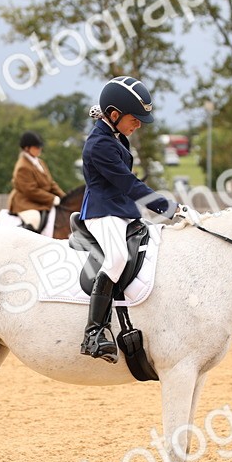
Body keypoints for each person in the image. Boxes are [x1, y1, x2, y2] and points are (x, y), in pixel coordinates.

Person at [79, 76, 179, 362]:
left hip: (122, 211)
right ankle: (94, 333)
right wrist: (168, 208)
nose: (138, 125)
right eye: (134, 120)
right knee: (118, 258)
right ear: (114, 115)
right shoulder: (99, 144)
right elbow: (129, 184)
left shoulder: (115, 135)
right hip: (102, 212)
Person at [7, 131, 65, 234]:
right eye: (36, 147)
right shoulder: (22, 166)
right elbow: (30, 191)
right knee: (34, 219)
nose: (40, 149)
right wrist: (52, 199)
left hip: (39, 200)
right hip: (25, 202)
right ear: (26, 148)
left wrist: (64, 197)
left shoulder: (40, 162)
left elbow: (50, 183)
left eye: (40, 147)